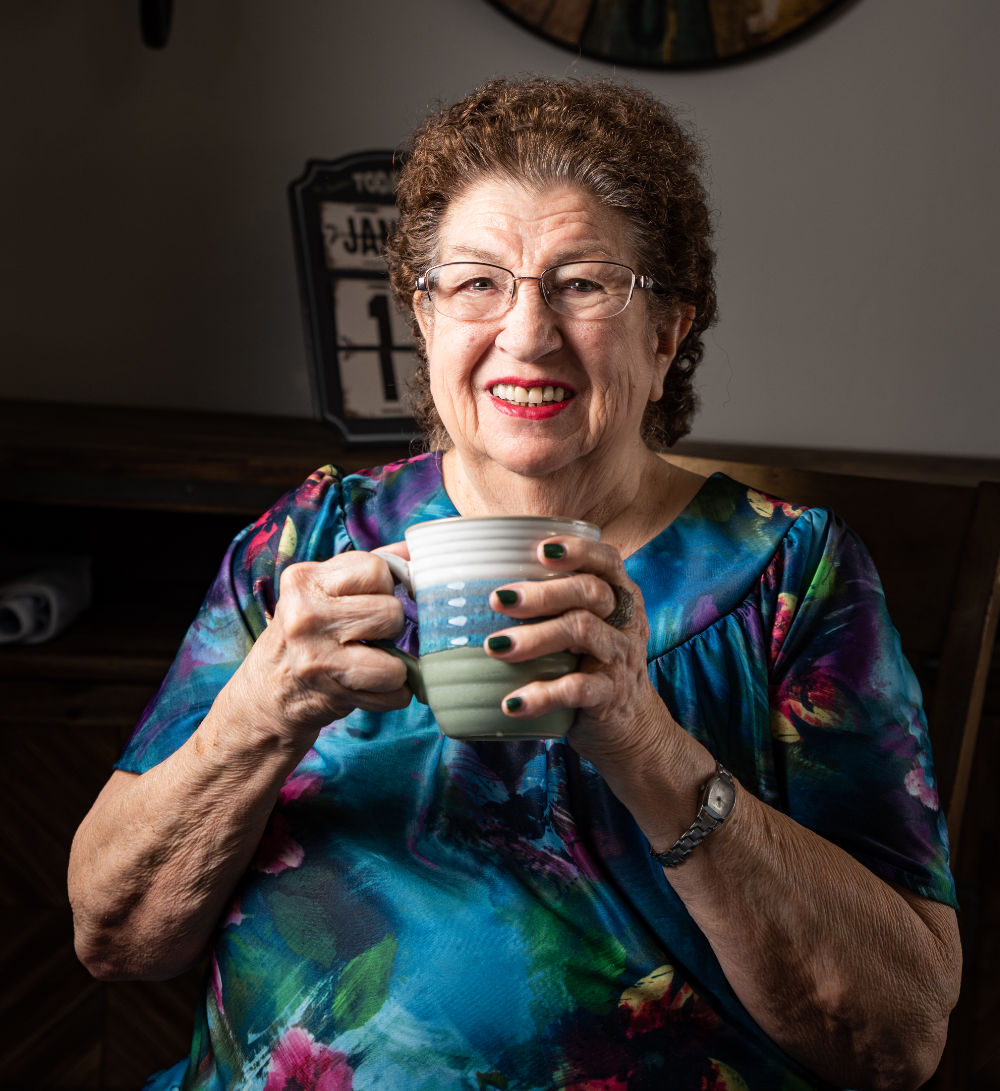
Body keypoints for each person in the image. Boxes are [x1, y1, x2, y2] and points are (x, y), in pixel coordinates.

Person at [68, 77, 960, 1091]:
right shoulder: (308, 546)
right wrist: (261, 710)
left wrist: (642, 738)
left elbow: (899, 1036)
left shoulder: (789, 575)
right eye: (477, 282)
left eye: (581, 283)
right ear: (424, 315)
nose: (526, 332)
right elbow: (115, 935)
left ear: (667, 328)